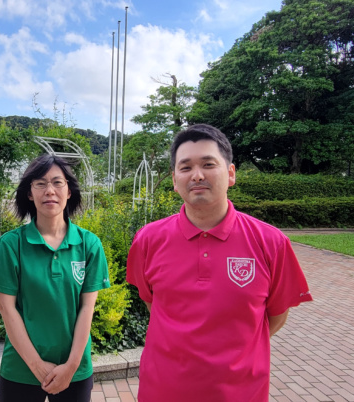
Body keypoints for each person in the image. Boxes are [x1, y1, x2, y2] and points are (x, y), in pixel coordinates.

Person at [126, 124, 313, 402]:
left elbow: (275, 315)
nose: (197, 175)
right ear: (175, 180)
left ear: (231, 173)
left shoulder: (271, 242)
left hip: (241, 392)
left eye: (208, 164)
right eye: (185, 167)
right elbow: (153, 302)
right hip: (162, 390)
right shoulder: (148, 240)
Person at [0, 154, 110, 402]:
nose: (49, 191)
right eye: (40, 183)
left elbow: (87, 308)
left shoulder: (89, 244)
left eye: (57, 183)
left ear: (69, 191)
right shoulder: (10, 245)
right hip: (20, 369)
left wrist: (71, 367)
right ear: (30, 193)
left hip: (75, 370)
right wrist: (37, 365)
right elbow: (7, 309)